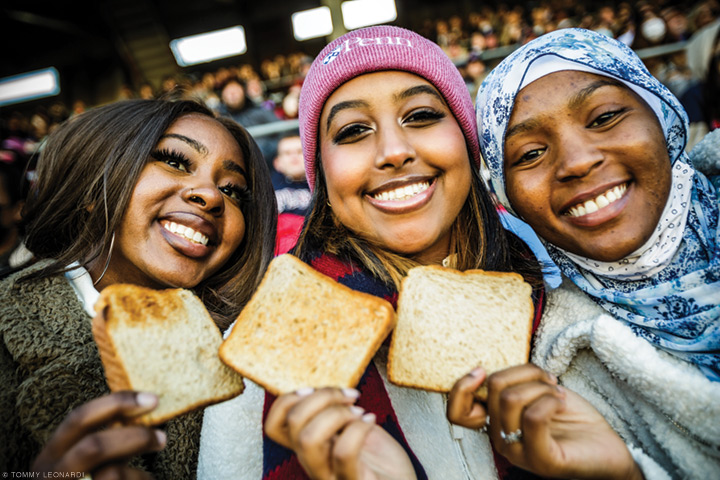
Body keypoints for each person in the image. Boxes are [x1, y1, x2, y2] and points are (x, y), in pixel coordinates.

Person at [198, 25, 546, 480]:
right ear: (320, 172)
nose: (394, 152)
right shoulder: (261, 353)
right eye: (354, 130)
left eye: (420, 115)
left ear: (466, 138)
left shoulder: (560, 298)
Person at [449, 27, 720, 479]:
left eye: (604, 117)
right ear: (507, 195)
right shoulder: (559, 372)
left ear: (662, 118)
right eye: (531, 152)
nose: (576, 161)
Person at [0, 99, 277, 478]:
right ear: (92, 185)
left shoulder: (253, 359)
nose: (211, 196)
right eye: (175, 161)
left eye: (233, 190)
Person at [272, 133, 311, 254]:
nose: (294, 157)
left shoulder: (323, 186)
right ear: (277, 163)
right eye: (288, 153)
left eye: (299, 152)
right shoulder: (266, 187)